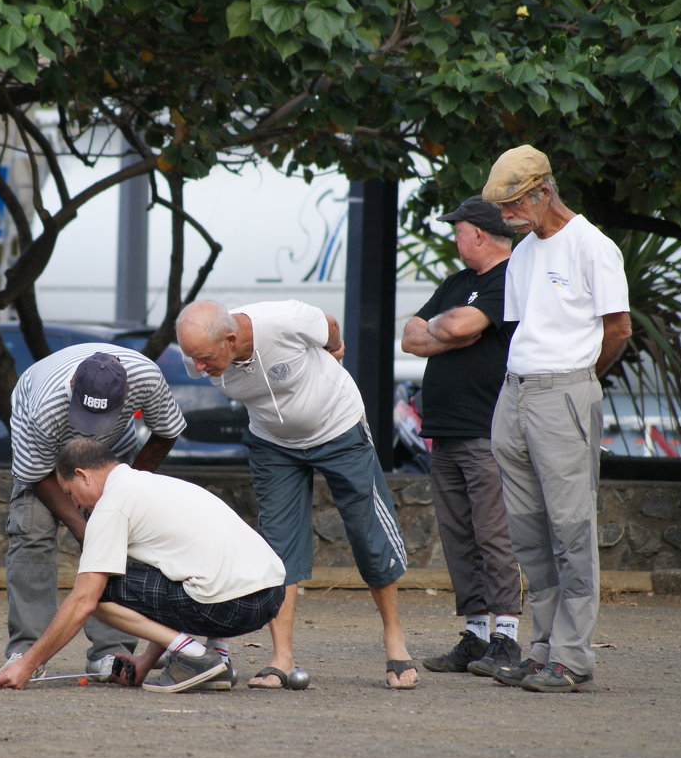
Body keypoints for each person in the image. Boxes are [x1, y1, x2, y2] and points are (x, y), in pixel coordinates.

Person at [176, 299, 419, 689]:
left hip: (337, 426)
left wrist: (335, 350)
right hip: (272, 442)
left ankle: (395, 640)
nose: (198, 368)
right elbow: (203, 360)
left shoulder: (282, 320)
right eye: (194, 359)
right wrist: (201, 358)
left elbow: (330, 327)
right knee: (277, 545)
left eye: (204, 358)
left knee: (366, 532)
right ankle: (281, 658)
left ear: (231, 337)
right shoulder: (199, 354)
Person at [482, 145, 631, 693]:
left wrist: (578, 380)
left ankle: (572, 656)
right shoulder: (523, 253)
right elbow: (525, 328)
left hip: (564, 391)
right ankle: (542, 648)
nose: (506, 216)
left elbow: (618, 329)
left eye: (515, 203)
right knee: (527, 532)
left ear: (545, 191)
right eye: (501, 207)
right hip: (516, 392)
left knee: (571, 529)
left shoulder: (594, 246)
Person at [0, 438, 286, 693]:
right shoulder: (158, 484)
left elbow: (83, 602)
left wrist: (27, 664)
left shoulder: (112, 505)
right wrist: (146, 661)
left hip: (227, 607)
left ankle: (197, 658)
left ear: (84, 476)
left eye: (70, 493)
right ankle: (216, 659)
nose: (76, 504)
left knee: (100, 594)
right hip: (271, 599)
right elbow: (174, 577)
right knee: (188, 573)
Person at [5, 344, 187, 681]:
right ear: (73, 384)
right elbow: (35, 474)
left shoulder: (146, 377)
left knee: (120, 543)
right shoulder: (44, 404)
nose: (91, 429)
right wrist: (82, 527)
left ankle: (111, 651)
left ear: (127, 393)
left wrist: (128, 484)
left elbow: (167, 430)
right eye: (86, 418)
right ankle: (27, 651)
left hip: (111, 455)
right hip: (48, 459)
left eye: (100, 420)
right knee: (32, 531)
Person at [400, 195, 524, 677]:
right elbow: (411, 336)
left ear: (478, 233)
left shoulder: (509, 277)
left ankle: (506, 637)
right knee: (457, 534)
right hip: (445, 431)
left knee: (493, 533)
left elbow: (466, 323)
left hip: (486, 427)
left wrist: (451, 328)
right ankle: (474, 633)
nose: (454, 236)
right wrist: (448, 330)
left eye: (458, 229)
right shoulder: (456, 282)